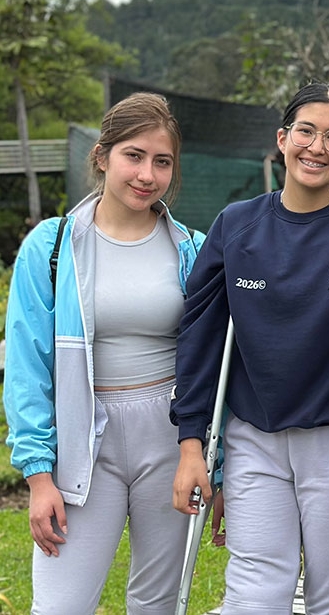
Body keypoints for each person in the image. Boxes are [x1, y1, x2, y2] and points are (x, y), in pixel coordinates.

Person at [170, 82, 329, 614]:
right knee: (254, 591)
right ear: (282, 139)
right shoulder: (236, 226)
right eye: (305, 132)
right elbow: (202, 338)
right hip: (254, 437)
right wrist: (191, 445)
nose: (316, 148)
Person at [3, 92, 204, 614]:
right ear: (101, 156)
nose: (147, 175)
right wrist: (39, 476)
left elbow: (211, 360)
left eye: (162, 162)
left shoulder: (193, 249)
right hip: (83, 440)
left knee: (157, 603)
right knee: (60, 605)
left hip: (168, 438)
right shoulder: (51, 247)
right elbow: (27, 367)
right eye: (133, 156)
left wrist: (210, 459)